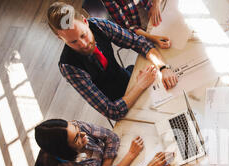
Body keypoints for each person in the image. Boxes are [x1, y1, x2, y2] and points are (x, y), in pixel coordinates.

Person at [47, 2, 178, 120]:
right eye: (73, 42)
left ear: (85, 21)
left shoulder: (98, 25)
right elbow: (112, 111)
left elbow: (139, 43)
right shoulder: (69, 67)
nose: (83, 44)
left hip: (129, 78)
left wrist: (163, 68)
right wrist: (140, 85)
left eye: (83, 35)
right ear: (60, 38)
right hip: (122, 104)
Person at [34, 119, 172, 166]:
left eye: (77, 130)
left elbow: (111, 136)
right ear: (66, 150)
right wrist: (130, 155)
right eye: (76, 139)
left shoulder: (77, 126)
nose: (83, 134)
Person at [102, 0, 170, 48]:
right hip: (139, 24)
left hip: (156, 4)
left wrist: (156, 4)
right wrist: (153, 38)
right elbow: (128, 27)